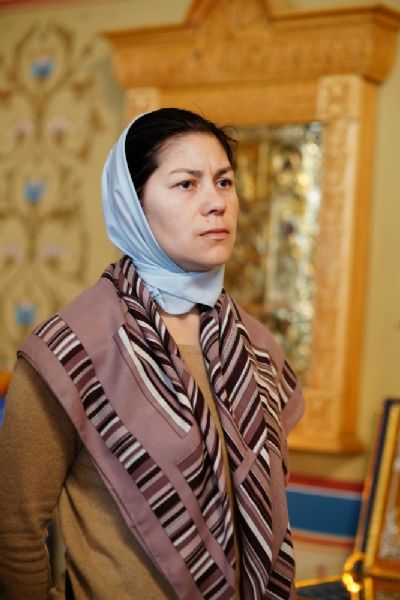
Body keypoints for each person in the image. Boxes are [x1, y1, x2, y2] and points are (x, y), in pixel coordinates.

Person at [0, 108, 304, 599]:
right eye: (186, 184)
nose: (216, 203)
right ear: (133, 204)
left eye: (224, 182)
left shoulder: (255, 345)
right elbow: (13, 530)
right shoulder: (72, 349)